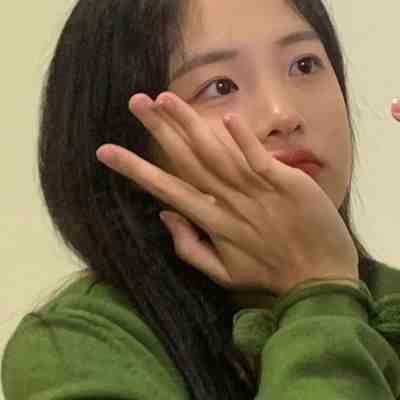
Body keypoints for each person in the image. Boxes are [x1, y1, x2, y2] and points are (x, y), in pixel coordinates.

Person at [2, 0, 400, 399]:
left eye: (304, 65)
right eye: (220, 87)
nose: (283, 115)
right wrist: (320, 292)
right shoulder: (77, 345)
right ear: (133, 143)